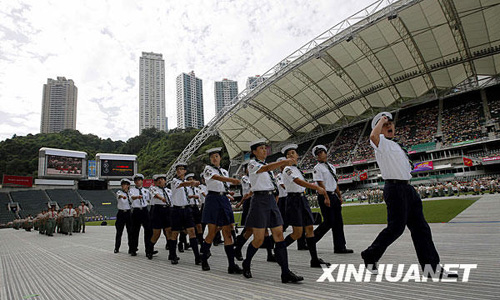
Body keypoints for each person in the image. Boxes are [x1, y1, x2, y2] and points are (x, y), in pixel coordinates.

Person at [361, 112, 458, 279]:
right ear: (379, 128)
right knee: (396, 229)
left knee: (421, 229)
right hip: (395, 188)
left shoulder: (396, 145)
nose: (389, 126)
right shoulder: (381, 143)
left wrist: (385, 122)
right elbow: (373, 136)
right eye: (385, 124)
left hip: (407, 189)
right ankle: (370, 254)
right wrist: (381, 121)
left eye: (391, 123)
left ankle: (432, 268)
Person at [242, 139, 303, 283]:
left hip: (270, 200)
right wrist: (284, 162)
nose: (264, 150)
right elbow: (265, 169)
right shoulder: (253, 164)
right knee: (258, 239)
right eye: (261, 148)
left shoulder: (266, 166)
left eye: (265, 148)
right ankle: (247, 262)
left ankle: (285, 272)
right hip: (259, 201)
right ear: (254, 152)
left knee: (279, 235)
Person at [280, 144, 330, 268]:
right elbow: (298, 182)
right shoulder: (287, 169)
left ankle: (314, 259)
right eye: (288, 154)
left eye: (293, 153)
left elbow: (301, 183)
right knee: (297, 233)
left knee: (310, 229)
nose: (291, 155)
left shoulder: (297, 169)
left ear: (297, 155)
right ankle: (279, 249)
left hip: (302, 199)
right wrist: (316, 187)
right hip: (293, 200)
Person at [199, 148, 243, 274]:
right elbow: (216, 178)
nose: (214, 158)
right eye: (212, 157)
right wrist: (232, 180)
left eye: (216, 156)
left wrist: (228, 192)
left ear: (220, 158)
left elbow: (222, 185)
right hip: (212, 199)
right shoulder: (208, 169)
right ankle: (204, 258)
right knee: (212, 232)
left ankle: (231, 264)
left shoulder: (225, 171)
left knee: (228, 232)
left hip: (223, 199)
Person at [312, 144, 353, 254]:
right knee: (329, 222)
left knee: (338, 222)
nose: (320, 155)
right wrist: (326, 197)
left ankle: (340, 247)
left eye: (321, 152)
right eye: (318, 154)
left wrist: (339, 196)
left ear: (326, 153)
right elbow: (320, 184)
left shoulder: (331, 167)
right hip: (325, 196)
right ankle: (311, 240)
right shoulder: (317, 168)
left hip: (333, 195)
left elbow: (335, 183)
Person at [169, 166, 202, 266]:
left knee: (192, 231)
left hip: (187, 209)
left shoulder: (188, 185)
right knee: (175, 233)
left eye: (181, 169)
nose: (179, 171)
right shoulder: (174, 181)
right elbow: (182, 184)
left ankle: (197, 256)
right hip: (177, 210)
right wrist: (193, 182)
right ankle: (173, 255)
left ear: (185, 171)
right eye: (178, 169)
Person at [129, 173, 154, 258]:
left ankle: (149, 250)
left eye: (139, 180)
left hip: (144, 210)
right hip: (136, 211)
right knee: (135, 231)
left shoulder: (146, 191)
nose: (137, 182)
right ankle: (133, 249)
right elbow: (131, 197)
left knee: (148, 230)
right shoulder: (132, 190)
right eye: (136, 180)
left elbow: (148, 200)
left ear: (142, 181)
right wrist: (137, 197)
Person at [148, 174, 173, 260]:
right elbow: (155, 195)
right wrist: (162, 198)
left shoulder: (169, 191)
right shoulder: (153, 188)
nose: (160, 181)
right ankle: (150, 249)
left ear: (165, 181)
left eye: (162, 179)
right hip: (158, 210)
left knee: (169, 231)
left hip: (167, 210)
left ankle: (171, 253)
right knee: (156, 233)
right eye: (158, 180)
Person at [114, 178, 133, 254]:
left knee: (130, 232)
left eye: (126, 185)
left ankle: (131, 248)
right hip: (121, 213)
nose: (124, 186)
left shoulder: (131, 193)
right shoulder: (119, 192)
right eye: (123, 185)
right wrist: (123, 196)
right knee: (119, 232)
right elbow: (119, 196)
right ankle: (116, 248)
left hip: (129, 213)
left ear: (128, 186)